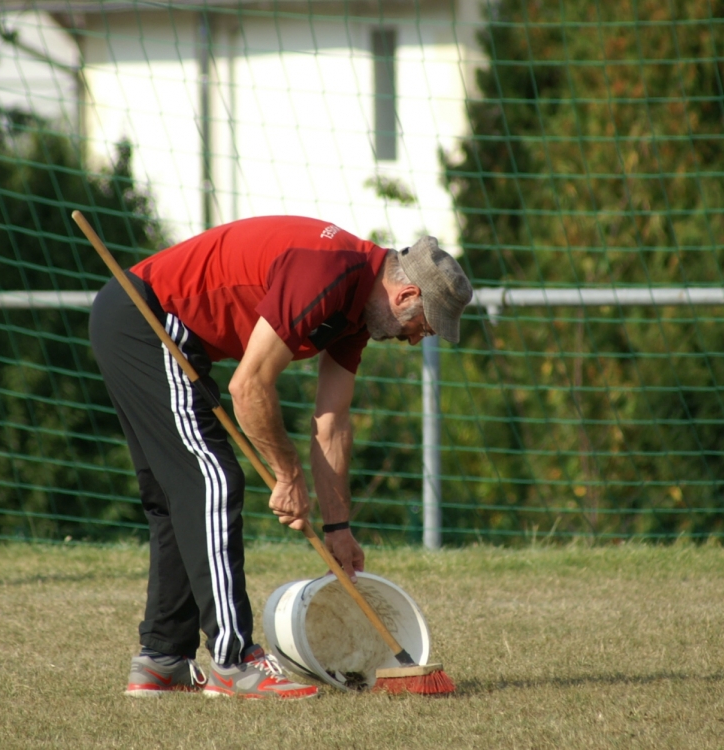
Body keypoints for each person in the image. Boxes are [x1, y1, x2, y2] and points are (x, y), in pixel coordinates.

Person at [88, 215, 472, 699]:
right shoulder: (329, 270)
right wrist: (288, 475)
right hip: (146, 317)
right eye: (423, 327)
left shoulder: (356, 314)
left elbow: (332, 423)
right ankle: (234, 661)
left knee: (180, 495)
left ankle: (162, 659)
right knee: (213, 482)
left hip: (141, 323)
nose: (415, 339)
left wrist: (338, 528)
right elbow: (248, 386)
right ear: (406, 296)